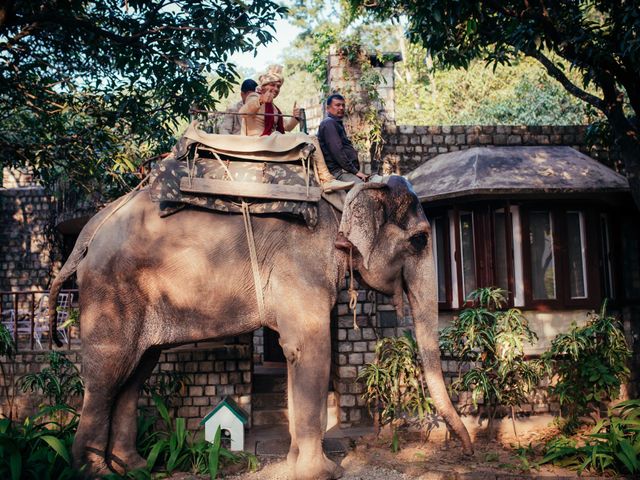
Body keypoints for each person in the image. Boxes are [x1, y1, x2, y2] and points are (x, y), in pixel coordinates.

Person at [239, 65, 353, 193]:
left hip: (272, 139)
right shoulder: (254, 97)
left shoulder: (273, 107)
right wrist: (260, 101)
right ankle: (327, 180)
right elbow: (243, 113)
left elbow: (286, 127)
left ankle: (325, 179)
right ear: (264, 85)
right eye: (273, 85)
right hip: (260, 141)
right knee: (308, 138)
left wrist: (294, 117)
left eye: (278, 87)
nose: (276, 89)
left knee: (309, 138)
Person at [317, 93, 368, 184]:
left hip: (345, 171)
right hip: (338, 173)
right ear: (328, 108)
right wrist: (355, 171)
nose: (341, 108)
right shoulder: (329, 123)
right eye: (337, 105)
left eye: (343, 105)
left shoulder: (336, 123)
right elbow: (337, 151)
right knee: (364, 191)